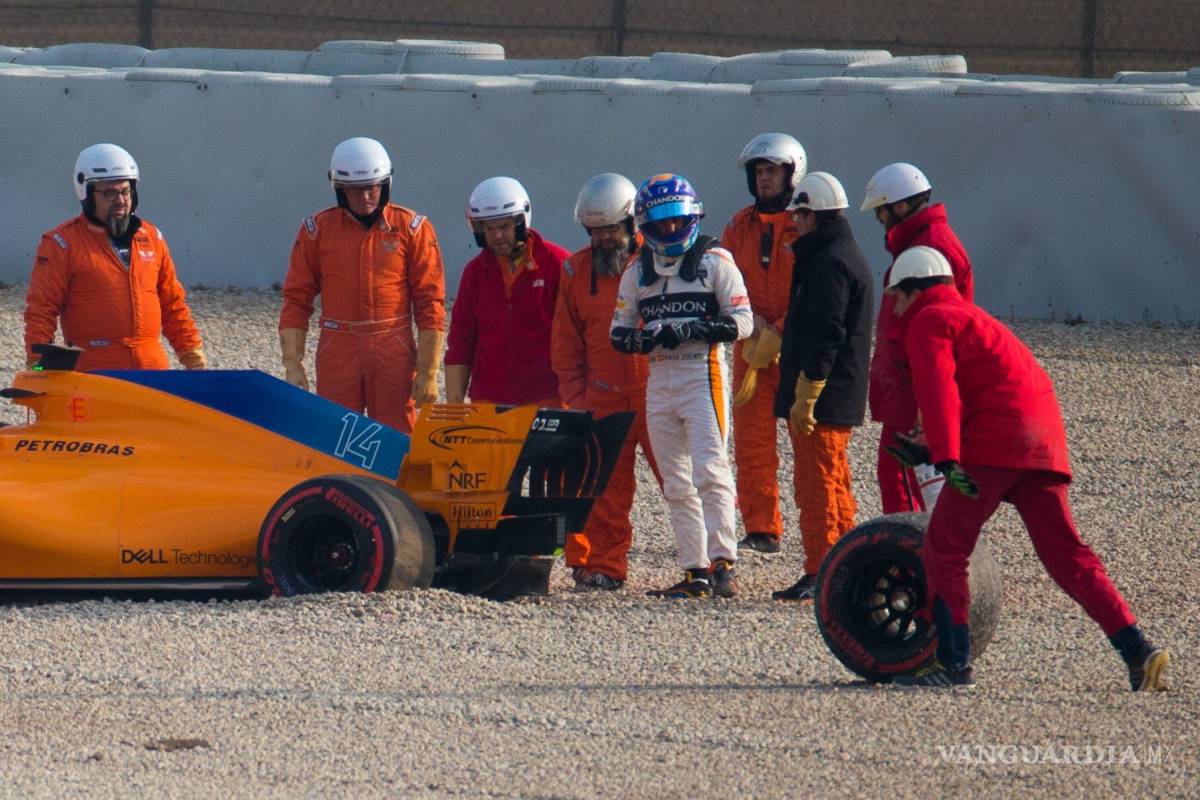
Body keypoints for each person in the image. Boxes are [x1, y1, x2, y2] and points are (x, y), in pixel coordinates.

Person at [882, 246, 1170, 690]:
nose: (896, 308)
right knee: (1067, 555)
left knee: (945, 545)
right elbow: (988, 391)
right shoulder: (980, 321)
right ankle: (1137, 649)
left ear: (915, 289)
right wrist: (936, 445)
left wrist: (943, 456)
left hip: (995, 447)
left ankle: (952, 665)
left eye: (898, 297)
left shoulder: (929, 319)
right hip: (1042, 442)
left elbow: (939, 391)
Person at [610, 174, 753, 598]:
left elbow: (743, 322)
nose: (670, 229)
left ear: (692, 217)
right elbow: (617, 332)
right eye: (661, 223)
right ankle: (694, 570)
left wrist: (695, 328)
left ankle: (724, 561)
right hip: (658, 377)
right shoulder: (637, 271)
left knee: (711, 468)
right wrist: (643, 340)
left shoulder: (716, 262)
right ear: (644, 226)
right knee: (674, 480)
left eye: (677, 220)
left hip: (701, 370)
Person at [279, 137, 446, 434]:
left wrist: (430, 371)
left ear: (386, 184)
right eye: (355, 190)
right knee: (334, 434)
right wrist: (293, 364)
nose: (366, 196)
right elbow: (296, 298)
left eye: (373, 187)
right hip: (337, 345)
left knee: (397, 435)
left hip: (392, 343)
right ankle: (337, 483)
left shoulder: (412, 228)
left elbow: (430, 301)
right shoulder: (316, 230)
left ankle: (396, 483)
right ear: (339, 189)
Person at [552, 173, 662, 591]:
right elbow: (565, 343)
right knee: (604, 492)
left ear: (632, 223)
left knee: (683, 483)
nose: (602, 239)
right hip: (602, 398)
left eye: (610, 230)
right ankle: (606, 565)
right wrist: (577, 399)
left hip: (658, 394)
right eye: (594, 231)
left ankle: (705, 564)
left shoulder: (660, 260)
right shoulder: (575, 270)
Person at [770, 173, 873, 601]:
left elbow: (827, 332)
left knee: (818, 487)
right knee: (836, 482)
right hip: (836, 393)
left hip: (824, 396)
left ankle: (823, 572)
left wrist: (808, 390)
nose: (794, 223)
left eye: (799, 215)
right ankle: (845, 567)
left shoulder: (829, 262)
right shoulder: (839, 254)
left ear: (813, 215)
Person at [25, 143, 205, 372]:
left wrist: (193, 356)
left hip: (151, 368)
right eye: (109, 193)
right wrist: (37, 366)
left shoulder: (152, 237)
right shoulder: (61, 244)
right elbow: (41, 309)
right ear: (87, 195)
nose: (120, 200)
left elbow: (172, 305)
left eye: (125, 191)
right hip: (93, 373)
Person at [860, 163, 973, 514]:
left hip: (916, 384)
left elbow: (942, 327)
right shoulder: (927, 245)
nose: (879, 219)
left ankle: (915, 556)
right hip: (913, 382)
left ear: (900, 206)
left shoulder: (929, 249)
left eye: (881, 210)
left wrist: (928, 398)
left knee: (905, 481)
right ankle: (927, 556)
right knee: (908, 478)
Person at [721, 132, 807, 555]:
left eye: (771, 170)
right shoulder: (738, 227)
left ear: (791, 173)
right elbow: (721, 280)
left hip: (796, 350)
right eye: (758, 172)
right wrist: (750, 323)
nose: (764, 179)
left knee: (810, 444)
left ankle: (820, 529)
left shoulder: (807, 223)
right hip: (751, 349)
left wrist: (783, 329)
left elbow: (818, 288)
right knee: (752, 444)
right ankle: (761, 529)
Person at [445, 177, 568, 406]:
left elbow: (579, 334)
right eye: (488, 228)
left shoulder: (557, 264)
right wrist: (454, 402)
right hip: (488, 398)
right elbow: (461, 340)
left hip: (547, 396)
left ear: (522, 221)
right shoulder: (474, 273)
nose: (497, 235)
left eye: (504, 226)